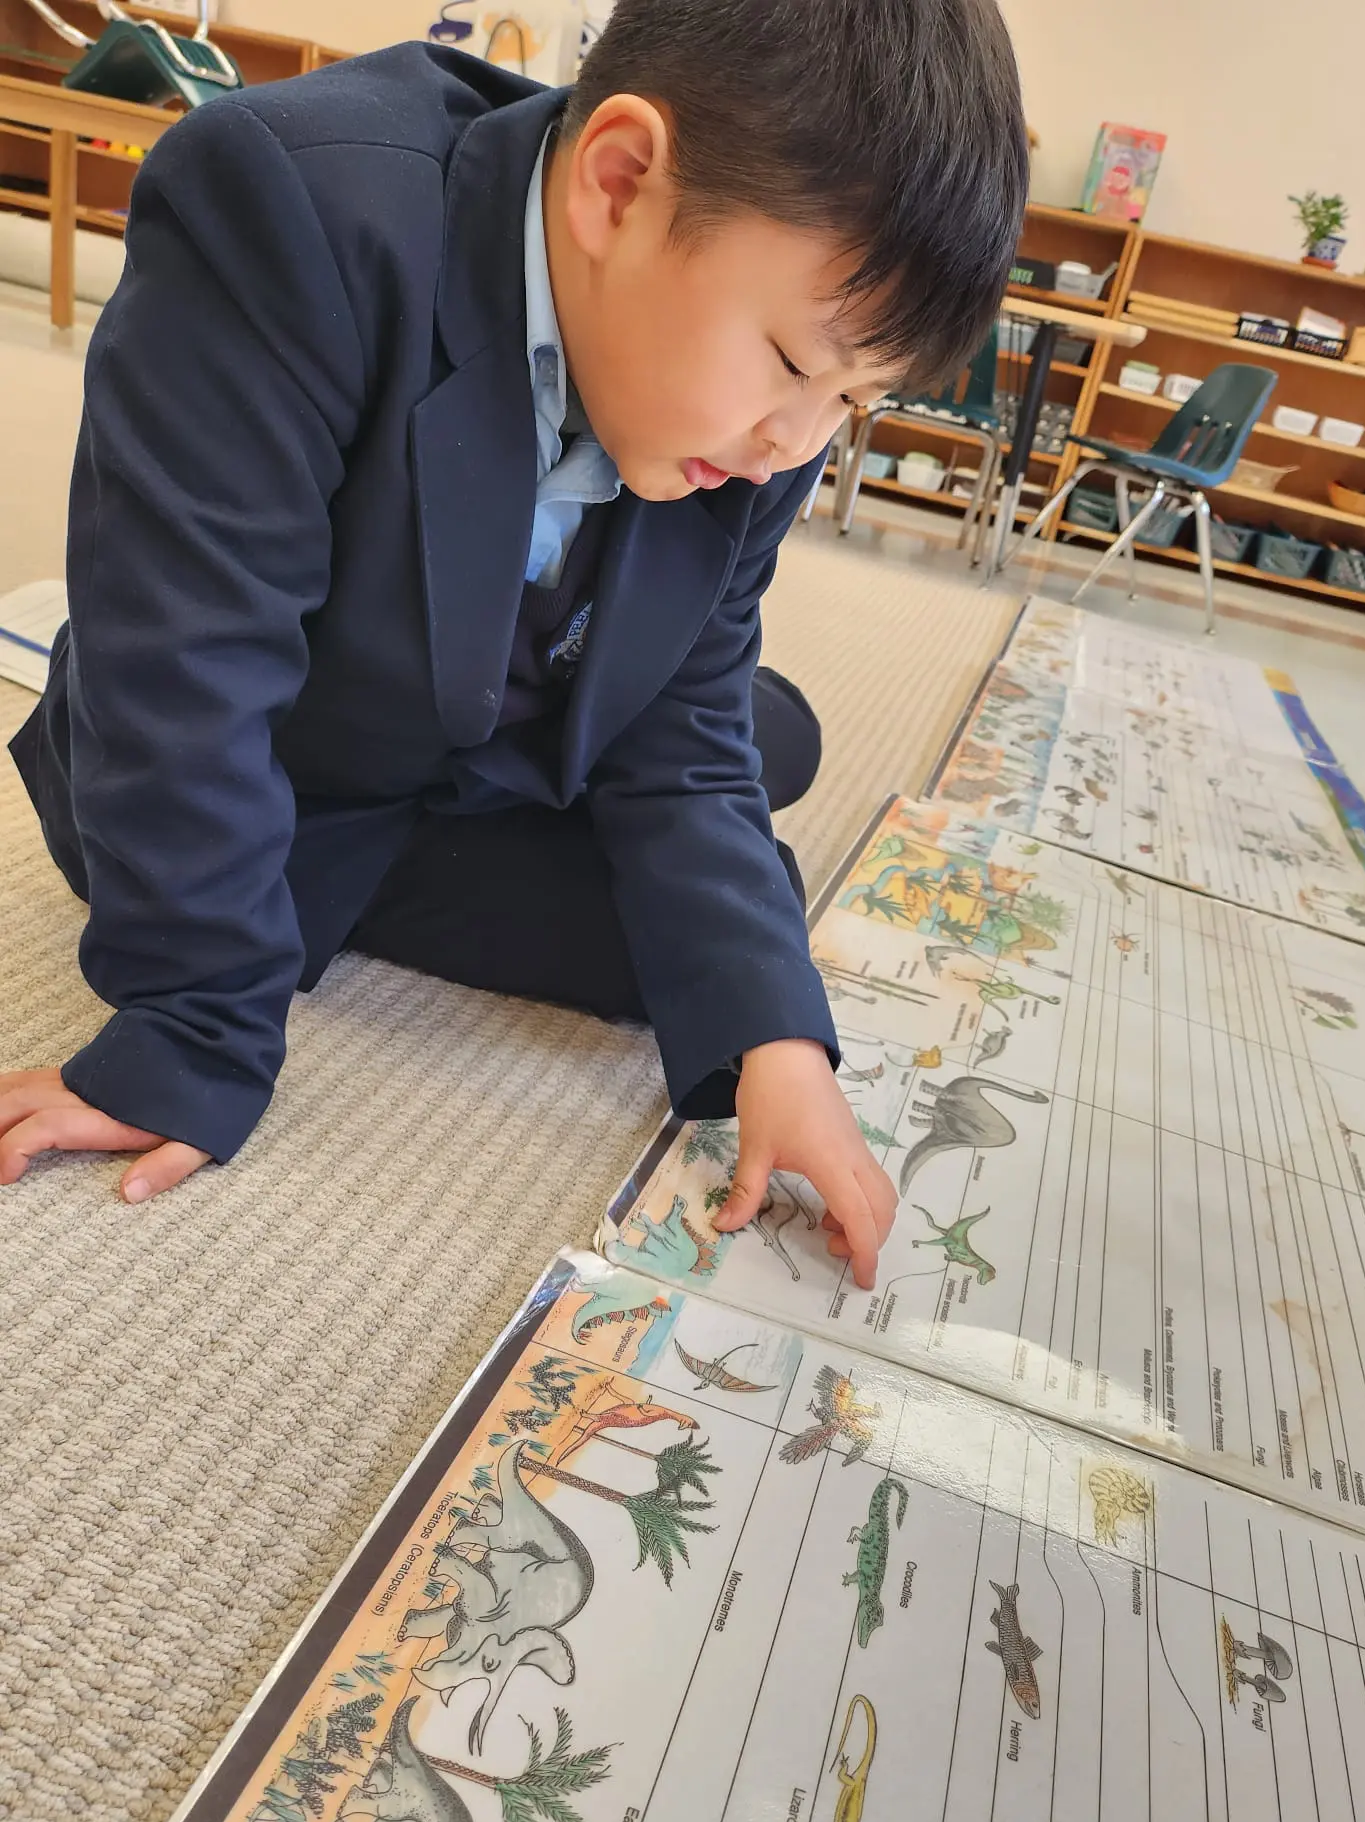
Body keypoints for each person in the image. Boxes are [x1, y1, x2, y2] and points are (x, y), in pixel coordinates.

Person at [3, 0, 1028, 1285]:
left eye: (852, 404)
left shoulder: (760, 424)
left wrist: (777, 1040)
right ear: (618, 183)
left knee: (732, 821)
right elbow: (186, 668)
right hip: (289, 760)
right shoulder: (289, 209)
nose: (798, 441)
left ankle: (587, 741)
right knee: (690, 880)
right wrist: (193, 1032)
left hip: (490, 709)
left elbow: (686, 723)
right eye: (789, 365)